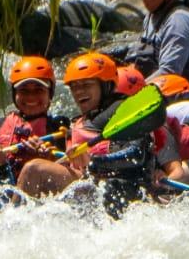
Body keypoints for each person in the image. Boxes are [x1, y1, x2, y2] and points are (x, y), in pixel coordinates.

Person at [15, 51, 123, 196]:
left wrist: (93, 162)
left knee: (34, 170)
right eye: (74, 87)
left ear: (105, 85)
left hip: (110, 187)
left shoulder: (121, 113)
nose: (79, 92)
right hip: (84, 185)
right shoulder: (77, 123)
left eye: (86, 85)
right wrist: (49, 159)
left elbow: (135, 156)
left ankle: (8, 218)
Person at [0, 56, 65, 181]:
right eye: (24, 90)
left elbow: (67, 172)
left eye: (39, 90)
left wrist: (48, 160)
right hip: (1, 188)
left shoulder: (60, 129)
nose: (31, 97)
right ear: (15, 95)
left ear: (50, 93)